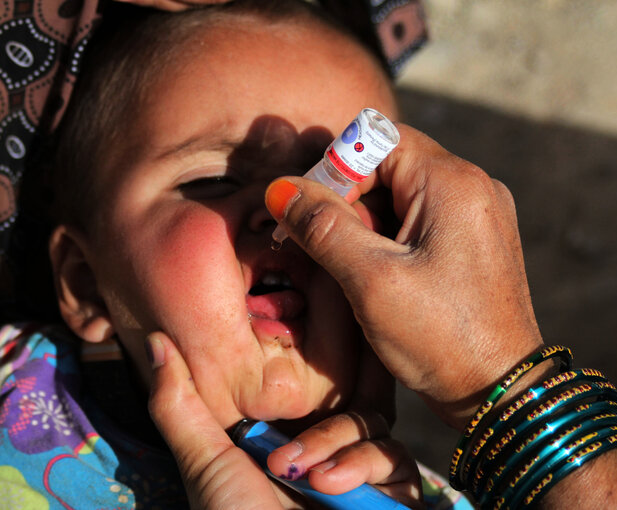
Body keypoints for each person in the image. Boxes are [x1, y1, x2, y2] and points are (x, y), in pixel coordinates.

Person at [0, 2, 464, 509]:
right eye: (214, 181)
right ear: (87, 281)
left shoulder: (405, 499)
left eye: (347, 191)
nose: (291, 211)